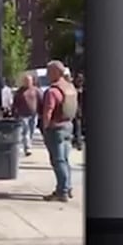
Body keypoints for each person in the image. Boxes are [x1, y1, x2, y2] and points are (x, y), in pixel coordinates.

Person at [40, 60, 79, 202]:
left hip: (55, 128)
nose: (47, 74)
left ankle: (61, 192)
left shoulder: (52, 91)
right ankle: (67, 188)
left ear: (56, 72)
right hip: (68, 126)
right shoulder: (69, 87)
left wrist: (45, 127)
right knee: (65, 160)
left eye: (49, 71)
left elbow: (48, 111)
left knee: (58, 161)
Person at [12, 74, 43, 157]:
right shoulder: (19, 92)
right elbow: (15, 103)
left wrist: (41, 113)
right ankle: (27, 148)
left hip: (34, 114)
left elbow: (41, 101)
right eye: (26, 81)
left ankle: (28, 143)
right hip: (23, 114)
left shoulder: (36, 91)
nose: (27, 82)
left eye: (29, 81)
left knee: (31, 130)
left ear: (32, 81)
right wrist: (14, 113)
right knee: (26, 131)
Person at [72, 72, 85, 150]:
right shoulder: (78, 89)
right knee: (77, 126)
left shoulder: (77, 89)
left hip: (77, 110)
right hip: (77, 110)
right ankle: (77, 141)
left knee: (77, 126)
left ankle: (78, 142)